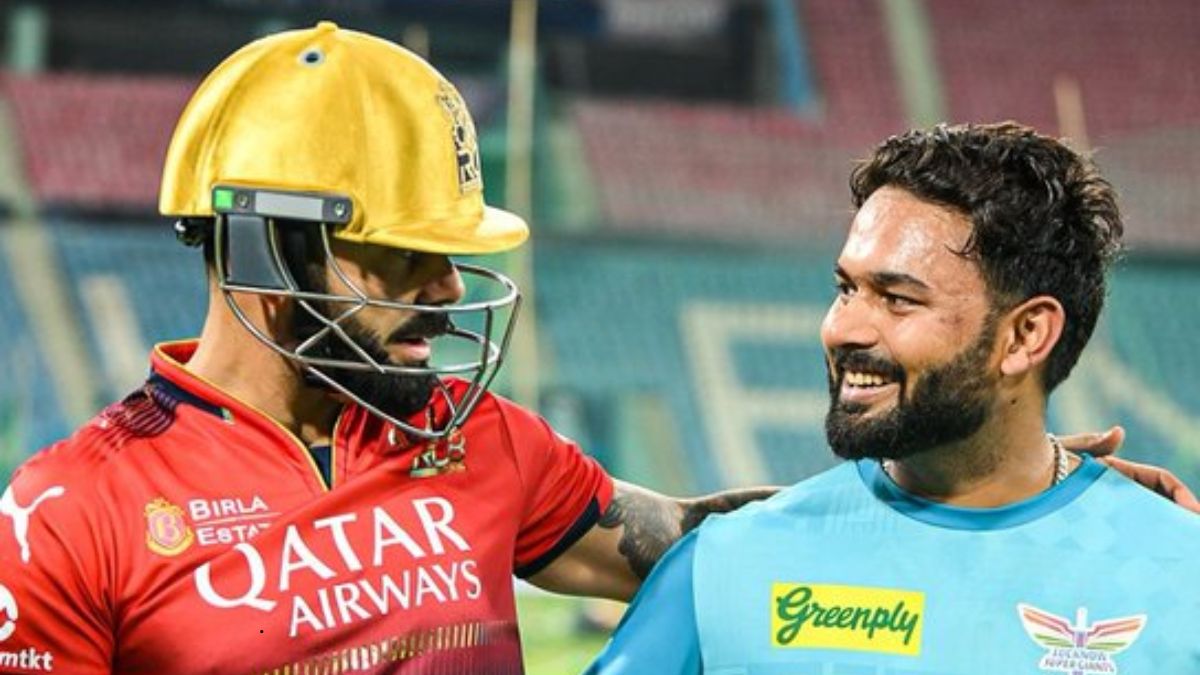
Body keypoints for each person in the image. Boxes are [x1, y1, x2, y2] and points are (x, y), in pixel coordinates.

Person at [0, 25, 1185, 675]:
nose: (445, 292)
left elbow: (713, 543)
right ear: (269, 244)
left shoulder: (478, 443)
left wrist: (1008, 487)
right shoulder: (69, 517)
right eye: (405, 257)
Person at [587, 122, 1200, 673]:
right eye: (846, 289)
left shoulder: (1179, 573)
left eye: (898, 299)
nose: (843, 329)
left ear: (1025, 335)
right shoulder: (724, 566)